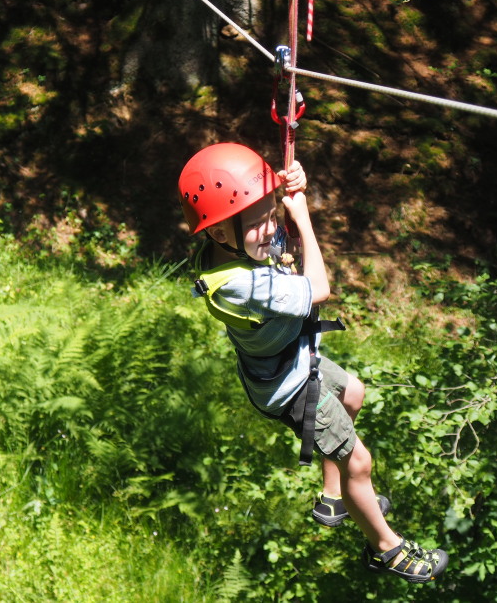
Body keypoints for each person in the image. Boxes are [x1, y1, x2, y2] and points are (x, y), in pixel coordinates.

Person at [178, 142, 447, 583]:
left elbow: (269, 237)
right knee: (359, 463)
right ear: (221, 232)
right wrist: (302, 217)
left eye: (270, 213)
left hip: (296, 361)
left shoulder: (234, 246)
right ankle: (386, 549)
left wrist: (289, 189)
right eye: (259, 221)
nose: (271, 228)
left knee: (354, 393)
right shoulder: (239, 286)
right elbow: (318, 289)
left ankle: (333, 496)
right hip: (289, 386)